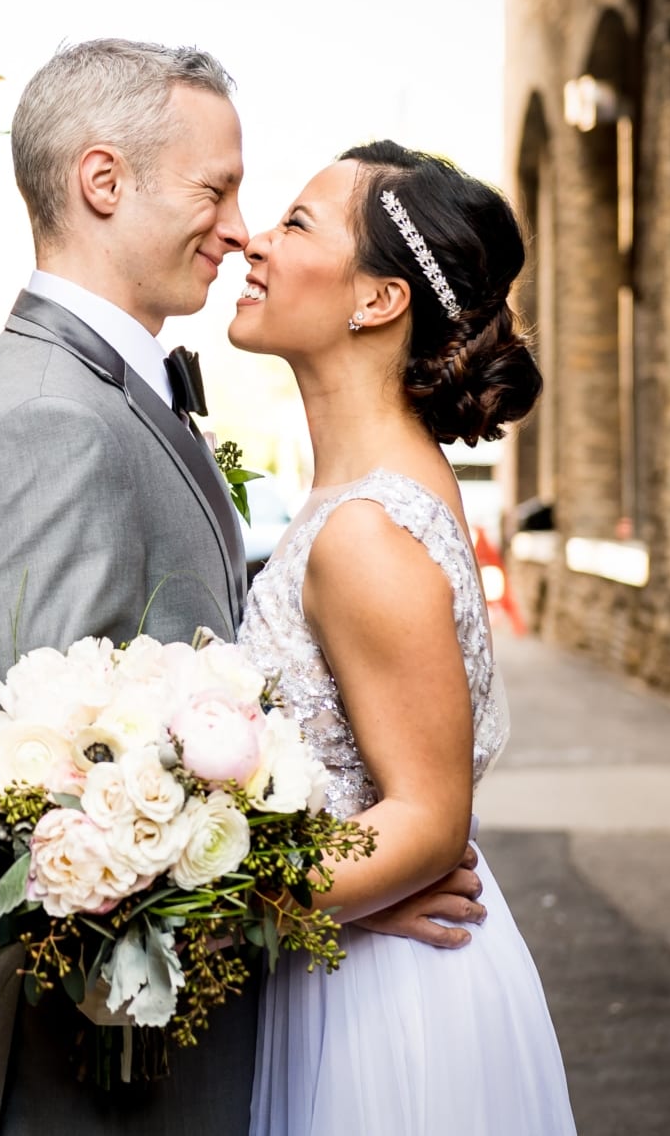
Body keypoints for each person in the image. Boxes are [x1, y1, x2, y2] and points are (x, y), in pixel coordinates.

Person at [0, 42, 488, 1136]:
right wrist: (337, 908)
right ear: (103, 184)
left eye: (266, 208)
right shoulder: (55, 420)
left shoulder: (120, 397)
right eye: (219, 189)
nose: (239, 228)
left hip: (220, 1042)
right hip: (124, 1069)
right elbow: (79, 816)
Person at [230, 141, 575, 1134]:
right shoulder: (365, 495)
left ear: (375, 300)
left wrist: (220, 914)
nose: (254, 241)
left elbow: (426, 818)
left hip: (382, 1008)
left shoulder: (365, 531)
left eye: (293, 224)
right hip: (358, 947)